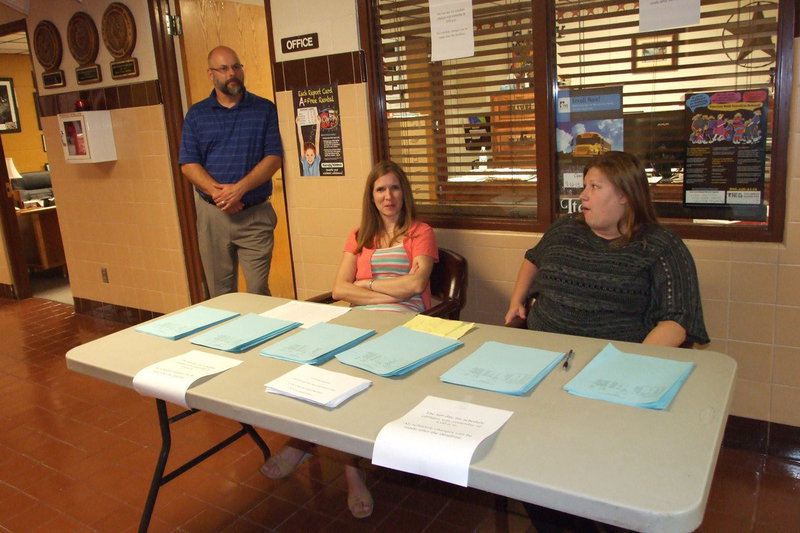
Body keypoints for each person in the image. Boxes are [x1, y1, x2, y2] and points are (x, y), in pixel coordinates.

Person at [505, 151, 709, 531]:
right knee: (533, 463)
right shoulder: (566, 228)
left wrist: (624, 367)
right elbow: (533, 259)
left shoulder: (662, 247)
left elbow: (677, 320)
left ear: (626, 196)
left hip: (610, 378)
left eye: (594, 187)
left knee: (602, 465)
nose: (582, 196)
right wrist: (518, 298)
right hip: (545, 367)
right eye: (584, 187)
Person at [260, 160, 439, 518]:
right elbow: (339, 288)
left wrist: (367, 286)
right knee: (317, 372)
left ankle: (349, 471)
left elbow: (417, 286)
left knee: (356, 384)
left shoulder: (420, 232)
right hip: (357, 321)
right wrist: (389, 292)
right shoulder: (358, 236)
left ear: (404, 193)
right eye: (380, 189)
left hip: (402, 324)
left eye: (394, 188)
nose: (388, 196)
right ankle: (305, 441)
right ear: (371, 197)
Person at [179, 45, 282, 297]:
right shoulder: (196, 115)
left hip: (254, 215)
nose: (231, 73)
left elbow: (274, 158)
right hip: (213, 217)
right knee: (220, 295)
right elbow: (188, 164)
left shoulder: (264, 109)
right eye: (224, 69)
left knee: (257, 291)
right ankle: (225, 338)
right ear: (210, 74)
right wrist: (222, 196)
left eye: (236, 67)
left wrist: (238, 191)